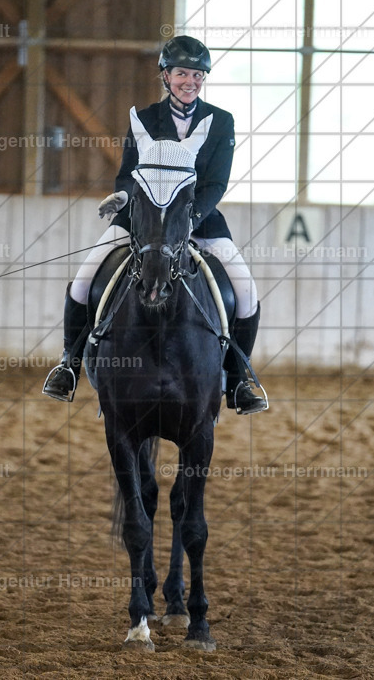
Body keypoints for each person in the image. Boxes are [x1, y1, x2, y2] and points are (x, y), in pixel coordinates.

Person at [43, 35, 267, 415]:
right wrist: (123, 199)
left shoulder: (221, 122)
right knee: (83, 283)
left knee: (246, 292)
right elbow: (128, 175)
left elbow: (215, 184)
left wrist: (189, 219)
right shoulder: (145, 119)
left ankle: (240, 378)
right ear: (166, 75)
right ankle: (69, 364)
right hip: (142, 222)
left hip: (199, 222)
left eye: (198, 75)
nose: (190, 81)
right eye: (182, 73)